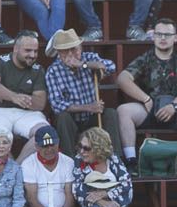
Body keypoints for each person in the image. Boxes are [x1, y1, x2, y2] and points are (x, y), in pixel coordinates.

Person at [116, 17, 177, 173]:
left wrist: (174, 106)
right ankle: (131, 161)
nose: (163, 38)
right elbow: (123, 78)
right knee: (124, 110)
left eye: (167, 35)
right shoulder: (145, 59)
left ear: (175, 38)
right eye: (159, 34)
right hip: (149, 109)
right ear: (153, 36)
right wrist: (145, 98)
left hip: (176, 110)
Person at [45, 28, 120, 158]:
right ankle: (70, 162)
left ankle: (115, 158)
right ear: (58, 53)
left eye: (74, 49)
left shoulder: (88, 58)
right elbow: (57, 105)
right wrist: (88, 107)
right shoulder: (53, 71)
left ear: (80, 47)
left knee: (111, 114)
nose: (70, 54)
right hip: (72, 121)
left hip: (92, 118)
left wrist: (83, 65)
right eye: (65, 51)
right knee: (62, 117)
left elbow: (111, 66)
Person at [0, 30, 49, 163]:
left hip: (27, 113)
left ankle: (16, 168)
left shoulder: (38, 69)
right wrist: (14, 97)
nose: (32, 55)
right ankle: (9, 169)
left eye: (35, 51)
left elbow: (40, 103)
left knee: (45, 134)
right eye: (28, 50)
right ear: (16, 48)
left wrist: (20, 99)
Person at [70, 126, 132, 207]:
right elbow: (78, 189)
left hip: (116, 205)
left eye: (87, 148)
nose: (82, 151)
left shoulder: (113, 159)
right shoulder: (79, 160)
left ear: (98, 149)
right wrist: (101, 202)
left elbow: (127, 185)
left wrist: (105, 194)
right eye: (80, 146)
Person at [23, 124, 76, 207]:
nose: (49, 149)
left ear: (58, 143)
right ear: (36, 146)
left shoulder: (68, 162)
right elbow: (32, 199)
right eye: (45, 146)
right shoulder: (28, 164)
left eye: (53, 145)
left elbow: (70, 193)